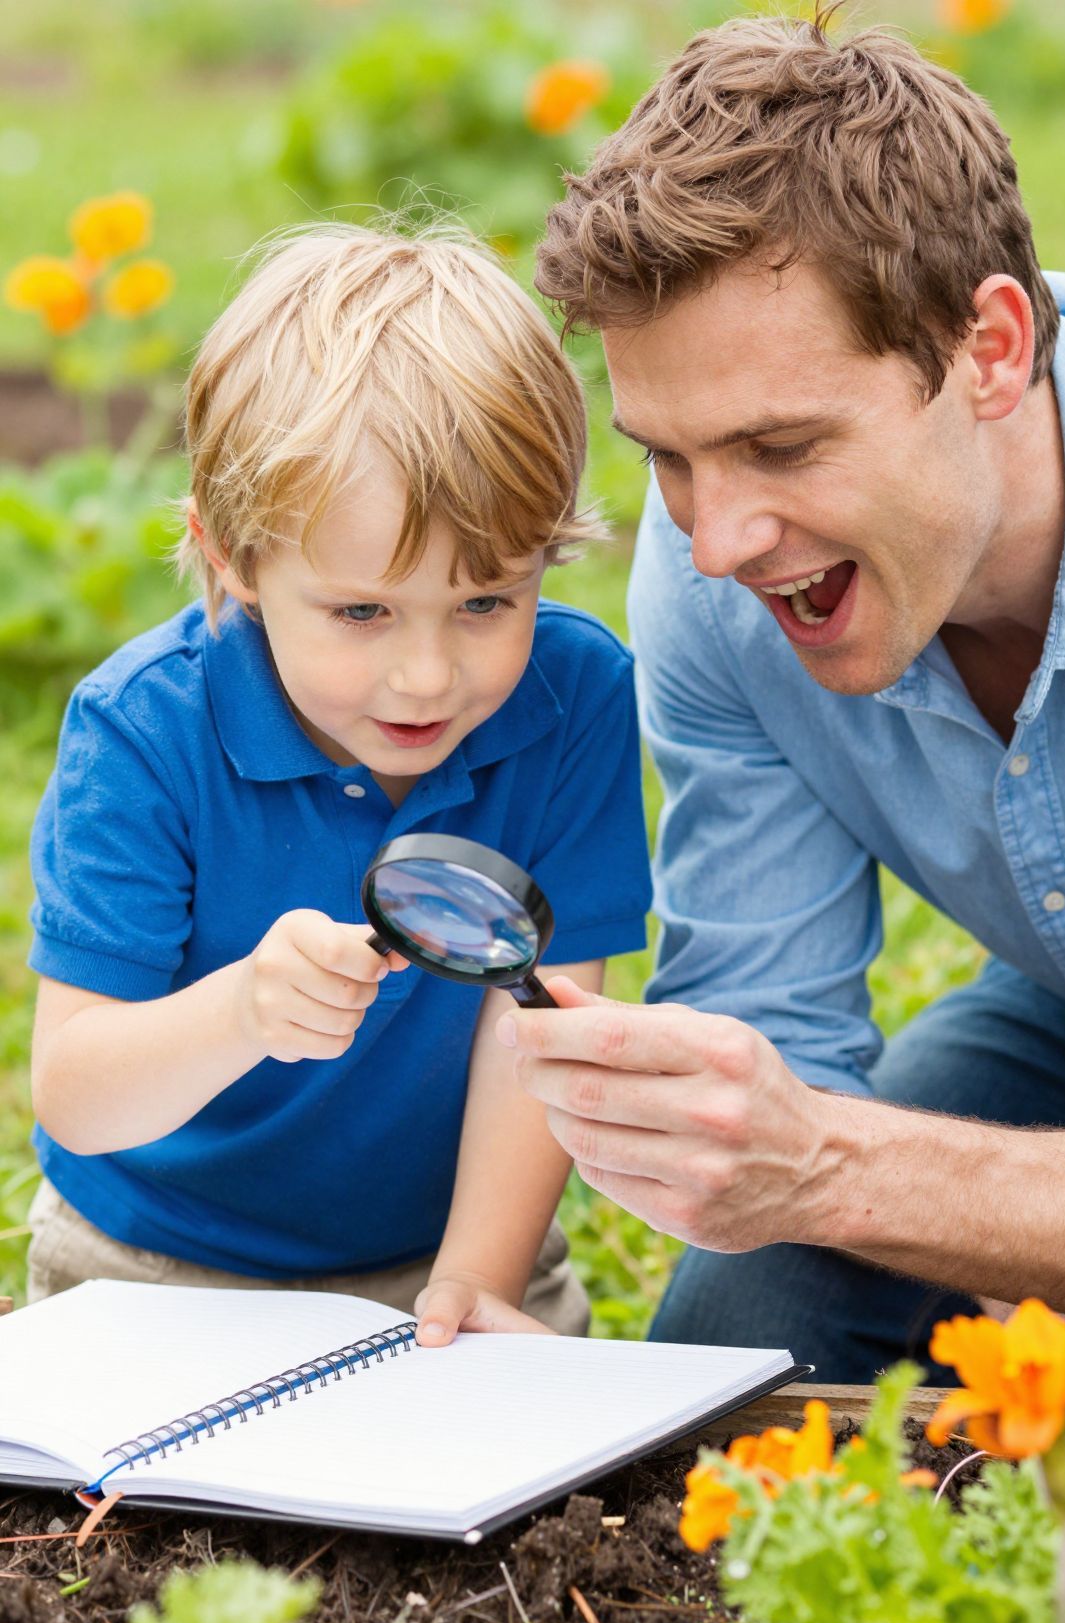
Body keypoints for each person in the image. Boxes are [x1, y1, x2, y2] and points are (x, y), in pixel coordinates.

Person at [504, 10, 1065, 1417]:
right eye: (671, 457)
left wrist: (858, 1168)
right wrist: (714, 1128)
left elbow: (818, 1154)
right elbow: (769, 1060)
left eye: (782, 445)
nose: (719, 540)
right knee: (739, 1336)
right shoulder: (719, 579)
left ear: (990, 350)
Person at [26, 224, 651, 1344]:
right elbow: (76, 1092)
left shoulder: (573, 697)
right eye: (363, 611)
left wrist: (474, 1284)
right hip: (151, 1262)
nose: (427, 675)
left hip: (441, 1253)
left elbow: (536, 1023)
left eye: (487, 601)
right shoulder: (143, 732)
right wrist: (242, 1014)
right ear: (233, 557)